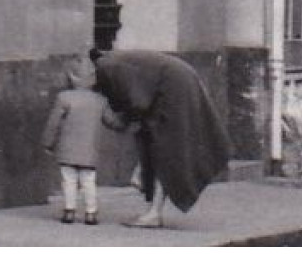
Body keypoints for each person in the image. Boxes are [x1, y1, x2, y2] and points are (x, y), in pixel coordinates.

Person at [91, 48, 231, 229]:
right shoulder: (113, 62)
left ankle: (153, 213)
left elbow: (138, 103)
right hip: (176, 82)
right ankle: (153, 209)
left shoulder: (106, 68)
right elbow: (138, 102)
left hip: (175, 87)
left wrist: (122, 119)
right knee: (161, 147)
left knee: (165, 150)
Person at [41, 55, 119, 225]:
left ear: (71, 77)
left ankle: (69, 211)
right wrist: (126, 121)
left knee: (68, 180)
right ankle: (91, 213)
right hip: (89, 150)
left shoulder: (64, 97)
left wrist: (48, 143)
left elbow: (53, 123)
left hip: (67, 149)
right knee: (89, 181)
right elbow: (112, 121)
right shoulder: (100, 100)